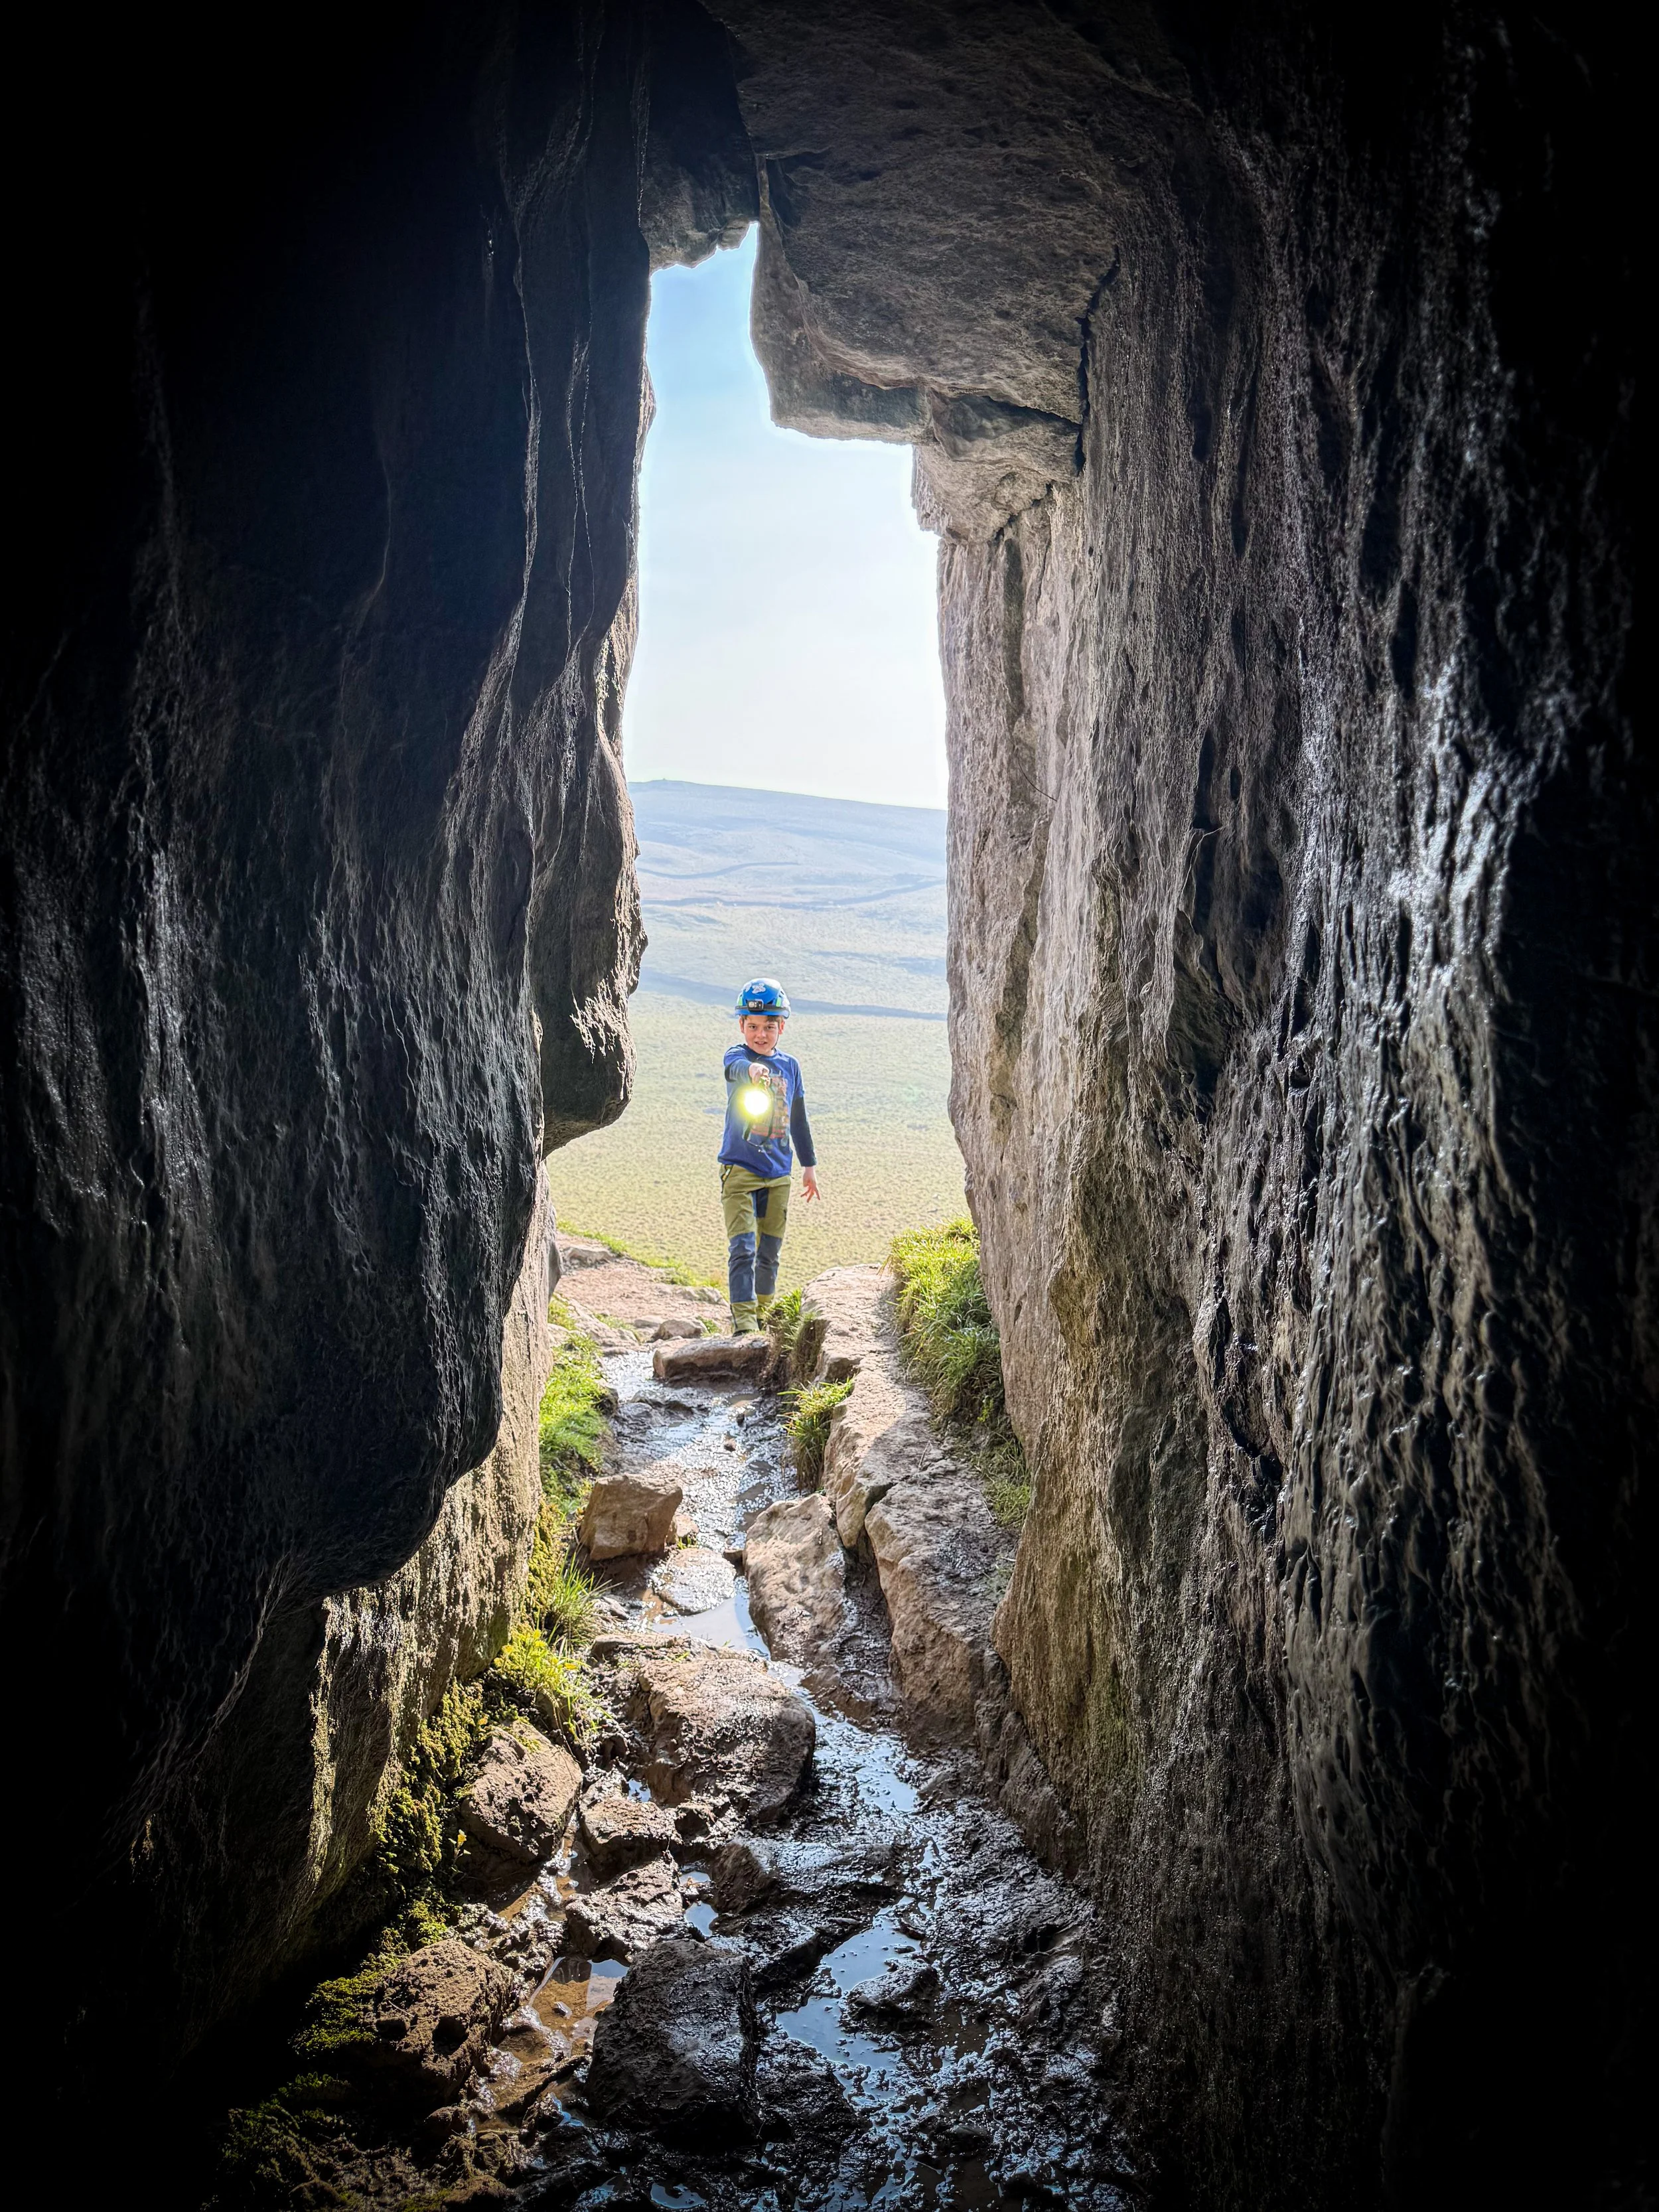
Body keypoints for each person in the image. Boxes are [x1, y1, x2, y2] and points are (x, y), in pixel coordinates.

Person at [718, 977, 820, 1334]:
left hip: (779, 1173)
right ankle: (745, 1324)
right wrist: (754, 1070)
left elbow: (798, 1118)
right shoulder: (737, 1056)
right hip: (740, 1170)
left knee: (770, 1251)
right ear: (742, 1025)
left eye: (769, 1027)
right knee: (743, 1246)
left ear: (782, 1027)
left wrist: (808, 1166)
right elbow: (734, 1068)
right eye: (754, 1026)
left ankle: (764, 1313)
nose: (761, 1034)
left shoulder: (791, 1067)